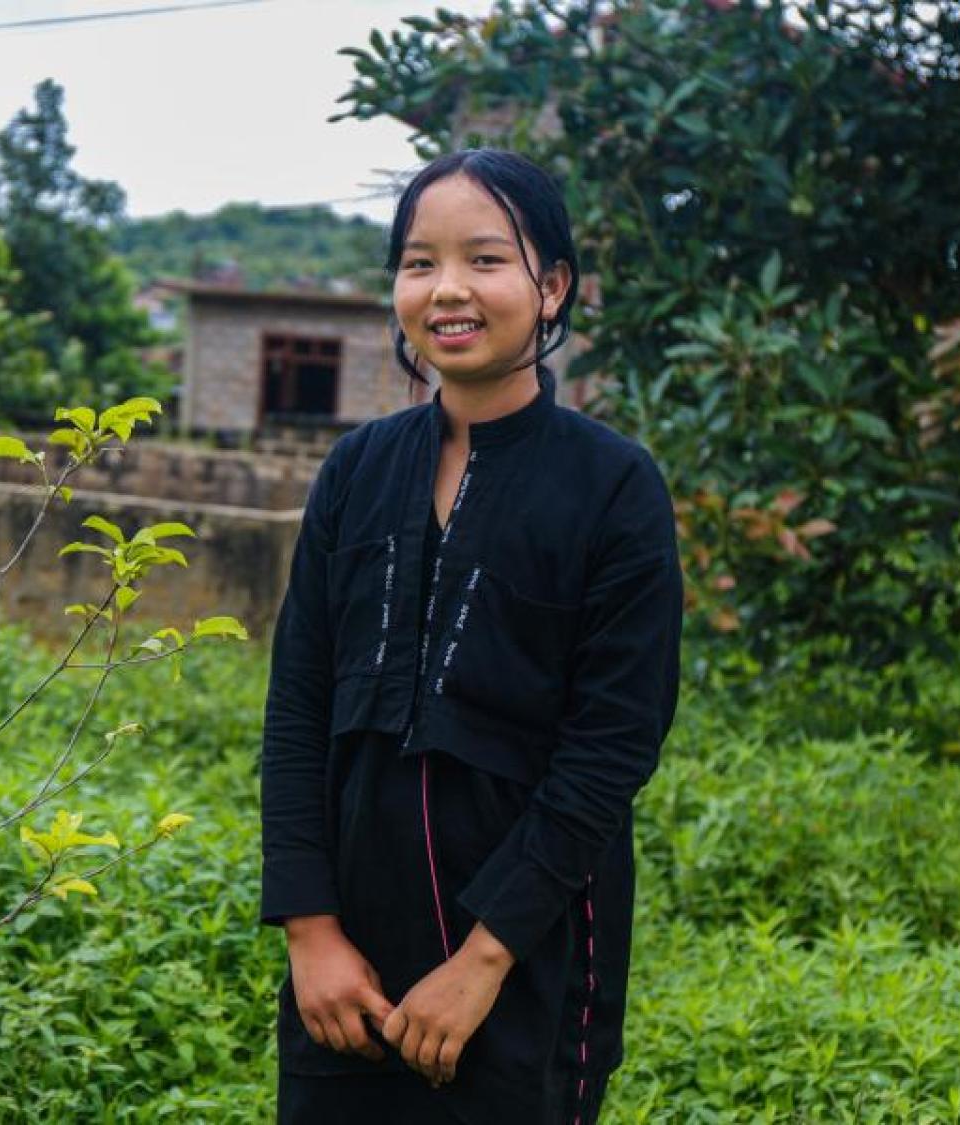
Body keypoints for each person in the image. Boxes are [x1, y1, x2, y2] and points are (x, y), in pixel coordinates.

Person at [259, 148, 683, 1124]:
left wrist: (482, 963)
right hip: (347, 966)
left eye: (484, 260)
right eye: (418, 263)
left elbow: (609, 748)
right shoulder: (355, 471)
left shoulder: (612, 488)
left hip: (526, 956)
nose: (446, 290)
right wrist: (309, 933)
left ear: (551, 288)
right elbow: (297, 712)